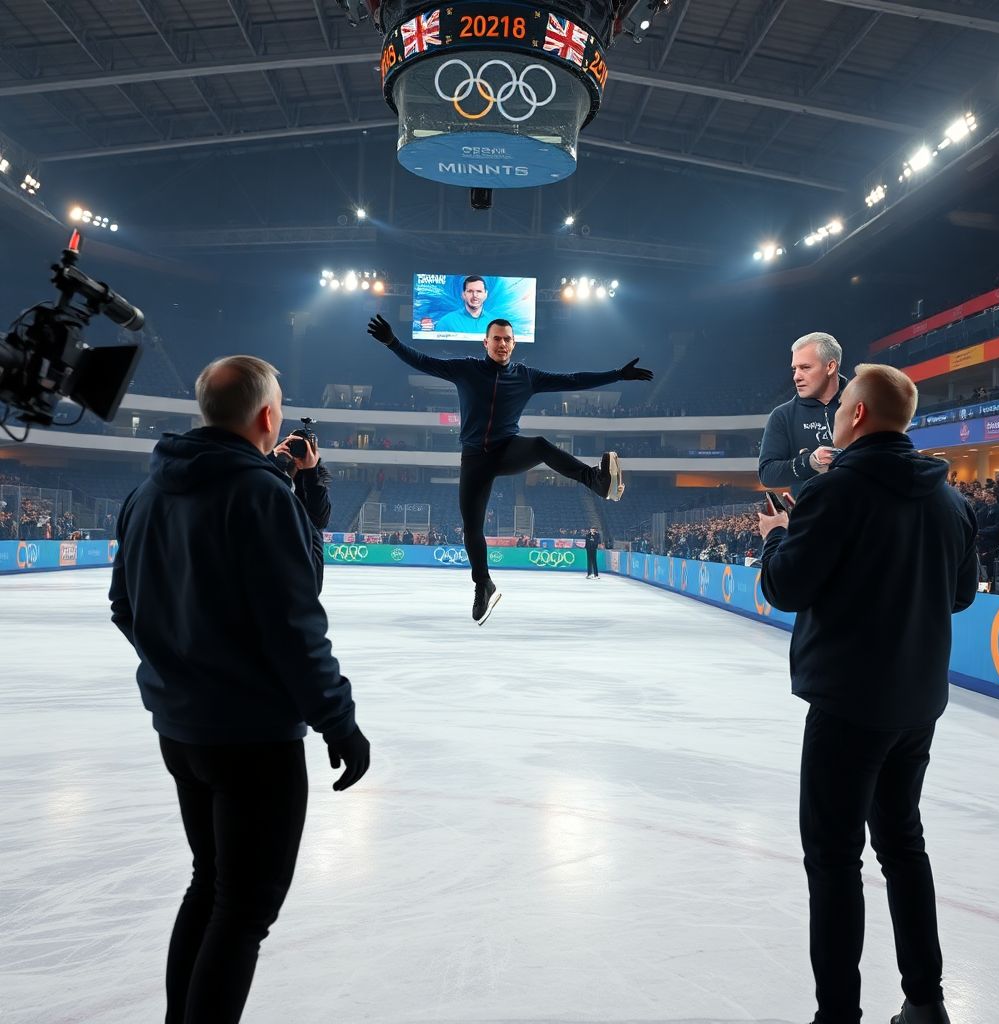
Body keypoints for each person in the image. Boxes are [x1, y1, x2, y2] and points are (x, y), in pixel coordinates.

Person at [109, 355, 371, 1024]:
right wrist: (339, 723)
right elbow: (295, 623)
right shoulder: (258, 495)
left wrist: (180, 670)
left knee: (211, 885)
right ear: (267, 417)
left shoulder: (147, 493)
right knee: (243, 910)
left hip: (181, 729)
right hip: (252, 741)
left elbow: (123, 605)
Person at [756, 364, 978, 1024]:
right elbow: (961, 594)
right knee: (903, 846)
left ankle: (838, 1016)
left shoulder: (838, 490)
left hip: (850, 704)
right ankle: (926, 1002)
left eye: (843, 402)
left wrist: (777, 540)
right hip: (916, 704)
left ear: (855, 416)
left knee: (832, 860)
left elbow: (787, 588)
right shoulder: (951, 500)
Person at [367, 313, 653, 623]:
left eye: (507, 339)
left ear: (513, 344)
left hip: (507, 451)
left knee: (541, 445)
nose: (502, 343)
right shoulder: (465, 369)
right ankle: (483, 584)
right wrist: (392, 343)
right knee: (472, 528)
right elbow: (423, 361)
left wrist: (617, 375)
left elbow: (573, 379)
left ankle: (597, 481)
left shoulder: (527, 376)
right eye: (497, 339)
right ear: (485, 342)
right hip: (474, 458)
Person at [759, 332, 847, 497]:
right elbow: (767, 473)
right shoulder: (782, 415)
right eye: (794, 369)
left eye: (805, 367)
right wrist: (809, 463)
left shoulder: (865, 405)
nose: (796, 377)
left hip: (864, 518)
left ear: (830, 367)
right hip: (811, 519)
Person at [271, 429, 331, 591]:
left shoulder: (316, 482)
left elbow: (318, 521)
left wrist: (311, 473)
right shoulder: (269, 475)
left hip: (298, 581)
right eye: (292, 445)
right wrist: (272, 458)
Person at [975, 487, 999, 583]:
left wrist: (980, 532)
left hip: (994, 543)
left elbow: (997, 528)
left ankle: (991, 583)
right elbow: (977, 524)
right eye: (984, 496)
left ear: (994, 496)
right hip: (981, 542)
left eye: (988, 495)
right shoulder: (981, 510)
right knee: (980, 566)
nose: (985, 498)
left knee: (990, 567)